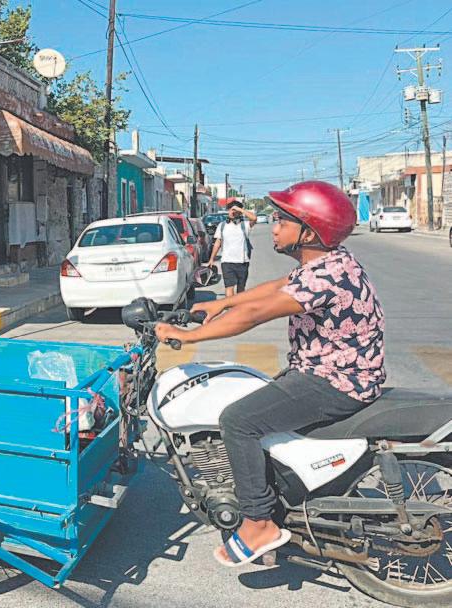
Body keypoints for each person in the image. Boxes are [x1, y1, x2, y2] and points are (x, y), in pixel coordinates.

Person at [155, 181, 385, 567]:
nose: (273, 227)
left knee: (238, 420)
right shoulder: (329, 262)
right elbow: (277, 287)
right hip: (336, 372)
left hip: (335, 382)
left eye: (282, 221)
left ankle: (258, 523)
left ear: (309, 232)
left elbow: (256, 314)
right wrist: (221, 304)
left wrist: (188, 335)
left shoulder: (324, 277)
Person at [207, 201, 257, 297]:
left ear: (240, 212)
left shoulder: (245, 225)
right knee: (229, 287)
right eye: (231, 209)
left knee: (241, 288)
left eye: (235, 210)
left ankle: (239, 305)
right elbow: (218, 243)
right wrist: (211, 259)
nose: (233, 212)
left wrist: (240, 209)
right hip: (227, 262)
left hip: (242, 262)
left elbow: (254, 218)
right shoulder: (222, 226)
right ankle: (231, 305)